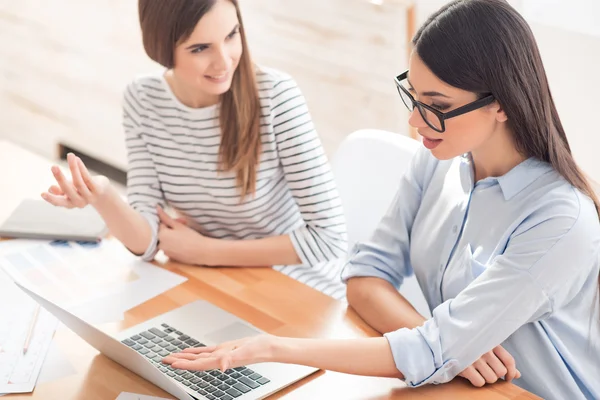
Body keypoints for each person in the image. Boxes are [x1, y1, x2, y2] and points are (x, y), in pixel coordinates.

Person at [161, 1, 600, 399]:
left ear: (501, 104)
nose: (414, 120)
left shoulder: (560, 221)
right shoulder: (438, 161)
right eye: (413, 94)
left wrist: (272, 348)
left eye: (436, 104)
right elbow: (365, 275)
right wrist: (448, 343)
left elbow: (433, 349)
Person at [41, 0, 348, 297]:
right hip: (210, 280)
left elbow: (329, 239)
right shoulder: (143, 99)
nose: (224, 60)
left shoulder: (277, 97)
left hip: (296, 284)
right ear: (163, 48)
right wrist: (104, 197)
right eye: (200, 48)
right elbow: (146, 244)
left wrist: (208, 251)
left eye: (231, 35)